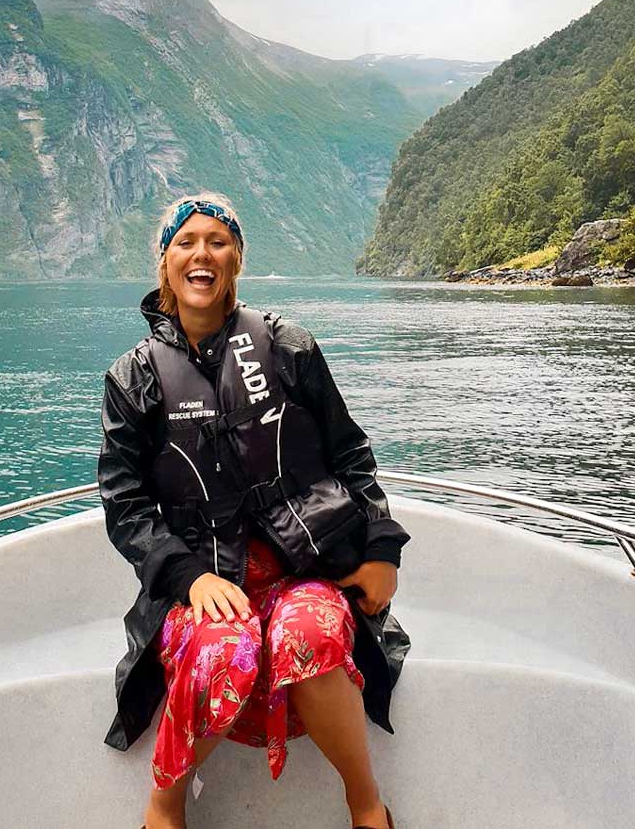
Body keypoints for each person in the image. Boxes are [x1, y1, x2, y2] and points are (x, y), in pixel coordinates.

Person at [98, 192, 410, 829]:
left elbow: (351, 454)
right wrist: (190, 578)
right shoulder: (134, 379)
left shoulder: (289, 348)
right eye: (185, 242)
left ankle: (367, 807)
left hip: (307, 570)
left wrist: (381, 551)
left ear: (236, 257)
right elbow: (125, 507)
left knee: (313, 635)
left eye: (217, 241)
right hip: (205, 581)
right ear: (165, 263)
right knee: (222, 654)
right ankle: (164, 808)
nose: (201, 255)